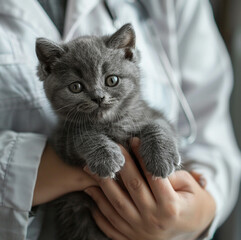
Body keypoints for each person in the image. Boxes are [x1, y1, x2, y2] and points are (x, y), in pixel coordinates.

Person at [0, 0, 240, 239]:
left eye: (111, 80)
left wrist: (199, 213)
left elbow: (212, 136)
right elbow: (66, 144)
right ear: (47, 69)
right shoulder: (71, 131)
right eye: (76, 87)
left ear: (128, 53)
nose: (98, 95)